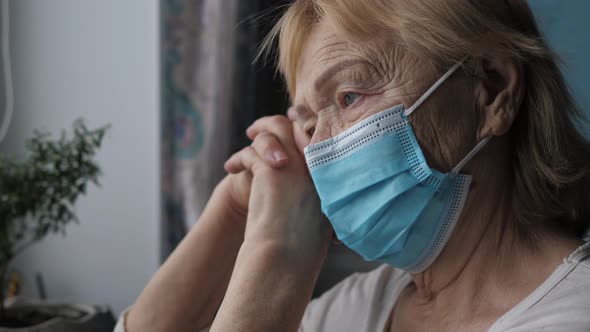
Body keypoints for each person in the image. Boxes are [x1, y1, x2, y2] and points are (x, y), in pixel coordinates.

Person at [116, 1, 590, 331]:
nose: (319, 150)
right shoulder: (359, 305)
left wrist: (276, 256)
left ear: (490, 89)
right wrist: (231, 214)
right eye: (306, 123)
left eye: (349, 97)